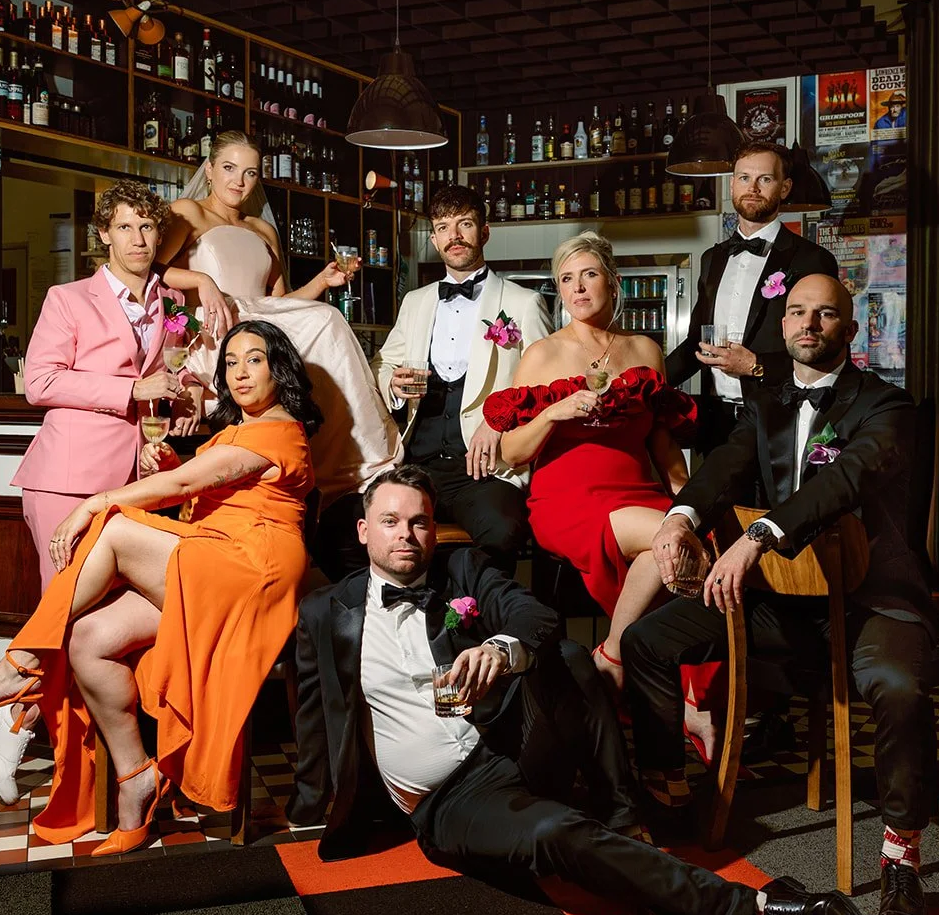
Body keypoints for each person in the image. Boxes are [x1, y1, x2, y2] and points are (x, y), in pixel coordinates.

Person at [287, 466, 870, 915]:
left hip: (506, 743)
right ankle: (762, 908)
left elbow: (536, 618)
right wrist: (310, 813)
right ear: (364, 532)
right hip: (449, 801)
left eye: (418, 521)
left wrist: (498, 648)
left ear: (434, 531)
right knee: (554, 832)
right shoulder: (324, 612)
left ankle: (624, 821)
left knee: (568, 657)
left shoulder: (461, 571)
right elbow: (315, 715)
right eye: (390, 522)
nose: (406, 535)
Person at [625, 274, 939, 915]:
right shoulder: (765, 401)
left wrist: (758, 534)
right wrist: (677, 520)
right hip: (781, 604)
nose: (809, 323)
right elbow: (723, 467)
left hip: (870, 601)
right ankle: (671, 801)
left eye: (826, 313)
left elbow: (843, 478)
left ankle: (901, 858)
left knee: (900, 686)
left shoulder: (889, 406)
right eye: (797, 311)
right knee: (647, 642)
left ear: (849, 331)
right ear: (783, 325)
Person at [0, 321, 320, 856]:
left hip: (254, 567)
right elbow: (209, 489)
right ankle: (137, 778)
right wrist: (179, 463)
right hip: (213, 554)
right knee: (90, 638)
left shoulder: (279, 428)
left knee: (111, 526)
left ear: (281, 366)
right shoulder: (237, 430)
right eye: (230, 362)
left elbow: (187, 489)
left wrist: (96, 500)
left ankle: (17, 667)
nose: (240, 372)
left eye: (254, 359)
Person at [0, 181, 193, 803]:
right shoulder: (68, 297)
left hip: (132, 488)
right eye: (127, 228)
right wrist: (128, 391)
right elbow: (38, 381)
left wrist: (180, 402)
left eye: (148, 229)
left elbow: (176, 373)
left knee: (96, 632)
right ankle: (47, 750)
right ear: (103, 235)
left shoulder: (166, 302)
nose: (139, 240)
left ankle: (28, 729)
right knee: (64, 616)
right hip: (66, 479)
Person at [481, 231, 693, 695]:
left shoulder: (645, 351)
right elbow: (513, 452)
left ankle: (667, 686)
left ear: (612, 282)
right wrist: (554, 412)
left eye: (589, 275)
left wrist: (692, 502)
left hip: (639, 493)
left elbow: (662, 443)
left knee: (699, 544)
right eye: (567, 279)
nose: (578, 288)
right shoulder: (543, 354)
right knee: (667, 539)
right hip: (569, 499)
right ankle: (621, 657)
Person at [157, 131, 401, 522]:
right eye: (229, 168)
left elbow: (280, 307)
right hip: (217, 327)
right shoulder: (189, 212)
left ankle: (360, 467)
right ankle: (365, 465)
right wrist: (203, 283)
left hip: (262, 323)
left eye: (250, 172)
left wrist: (322, 282)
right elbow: (154, 272)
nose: (239, 181)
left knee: (329, 317)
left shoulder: (263, 230)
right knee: (319, 324)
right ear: (209, 169)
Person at [337, 183, 551, 576]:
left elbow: (547, 386)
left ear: (483, 232)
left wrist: (499, 420)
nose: (454, 236)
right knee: (343, 526)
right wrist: (394, 385)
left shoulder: (523, 303)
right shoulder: (416, 302)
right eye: (443, 227)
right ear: (434, 238)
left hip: (487, 468)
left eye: (464, 224)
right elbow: (382, 366)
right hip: (418, 462)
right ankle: (394, 618)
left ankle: (474, 619)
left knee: (502, 531)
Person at [667, 142, 839, 457]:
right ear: (731, 184)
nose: (753, 188)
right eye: (744, 178)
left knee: (772, 509)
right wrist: (642, 385)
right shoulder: (712, 258)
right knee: (713, 506)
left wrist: (755, 365)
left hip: (780, 421)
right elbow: (696, 343)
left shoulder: (812, 260)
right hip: (715, 422)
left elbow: (825, 350)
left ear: (785, 188)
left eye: (765, 179)